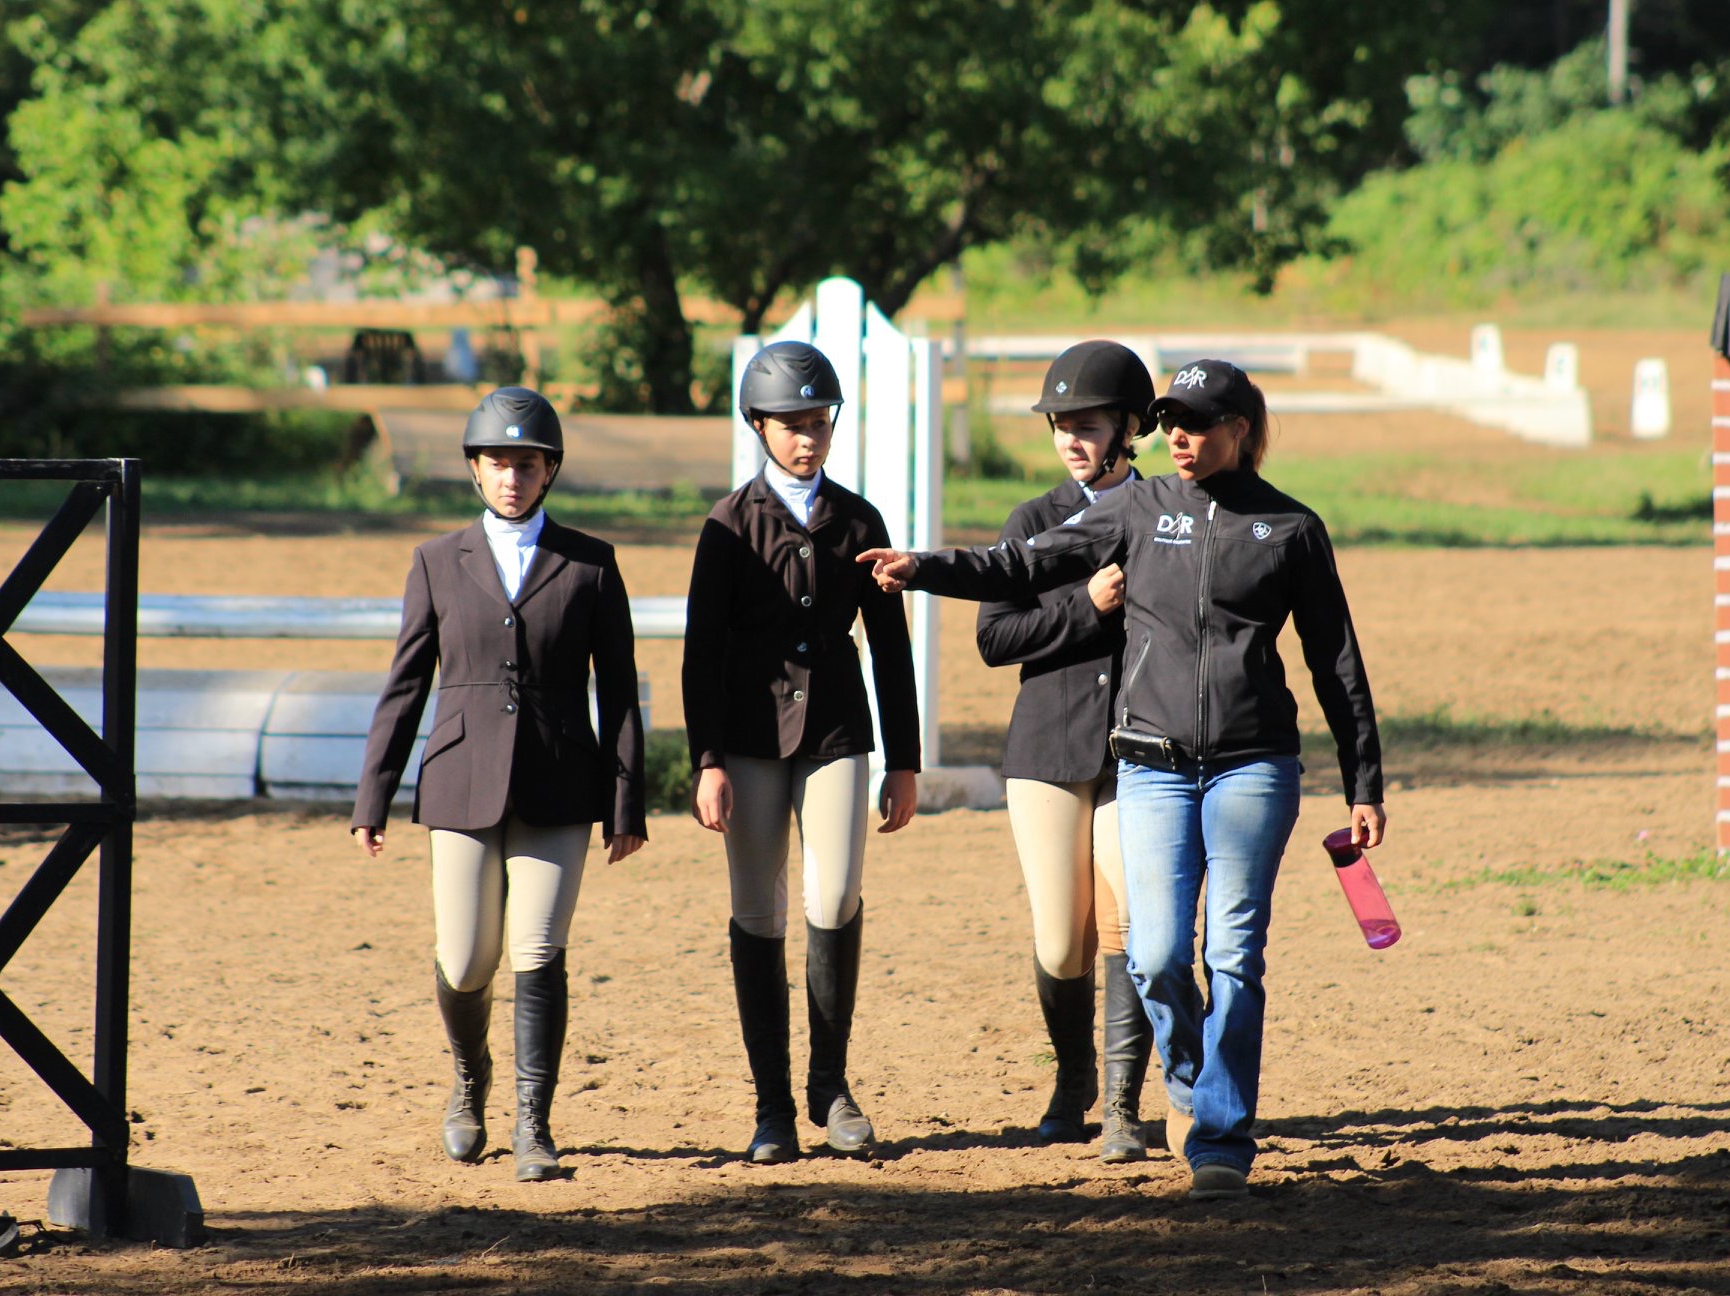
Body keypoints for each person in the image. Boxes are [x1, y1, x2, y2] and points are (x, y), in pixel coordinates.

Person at [859, 358, 1385, 1198]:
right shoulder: (1140, 508)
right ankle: (1187, 1081)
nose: (1178, 435)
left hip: (1254, 764)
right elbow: (1019, 568)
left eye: (1197, 422)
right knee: (1158, 951)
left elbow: (1337, 665)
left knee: (1235, 953)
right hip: (1152, 764)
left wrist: (1364, 781)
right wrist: (924, 567)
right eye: (1169, 420)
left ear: (1239, 431)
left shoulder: (1292, 528)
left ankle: (1219, 1138)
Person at [352, 386, 647, 1182]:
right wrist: (372, 795)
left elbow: (618, 692)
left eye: (526, 463)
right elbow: (406, 684)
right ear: (474, 472)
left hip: (560, 782)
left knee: (538, 949)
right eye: (497, 463)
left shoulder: (591, 563)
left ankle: (533, 1125)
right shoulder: (434, 561)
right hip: (460, 780)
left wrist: (626, 801)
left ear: (548, 472)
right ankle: (469, 1078)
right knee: (467, 958)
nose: (511, 477)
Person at [684, 340, 921, 1164]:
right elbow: (699, 653)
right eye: (791, 425)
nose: (808, 438)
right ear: (759, 425)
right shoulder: (726, 525)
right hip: (747, 737)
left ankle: (831, 1083)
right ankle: (772, 1106)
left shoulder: (860, 521)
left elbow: (890, 647)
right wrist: (705, 759)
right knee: (759, 911)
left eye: (818, 422)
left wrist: (904, 759)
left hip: (835, 732)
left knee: (836, 896)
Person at [973, 340, 1158, 1160]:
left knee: (1127, 922)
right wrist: (1084, 608)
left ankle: (1120, 1102)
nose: (1072, 441)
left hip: (1140, 747)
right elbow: (994, 637)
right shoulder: (1033, 522)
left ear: (1129, 429)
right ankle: (1072, 1078)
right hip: (1047, 745)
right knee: (1060, 941)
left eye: (1087, 426)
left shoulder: (1166, 512)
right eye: (1060, 428)